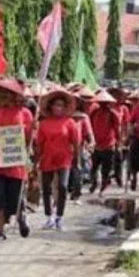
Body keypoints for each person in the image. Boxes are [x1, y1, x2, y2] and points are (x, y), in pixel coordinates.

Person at [0, 78, 34, 242]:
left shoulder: (25, 114)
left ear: (15, 96)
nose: (3, 97)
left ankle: (20, 216)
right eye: (2, 94)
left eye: (7, 94)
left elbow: (29, 138)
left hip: (16, 163)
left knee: (14, 198)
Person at [36, 89, 80, 231]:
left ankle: (59, 217)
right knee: (46, 189)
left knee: (62, 186)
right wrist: (35, 160)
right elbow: (39, 144)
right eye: (56, 105)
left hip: (64, 159)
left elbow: (76, 142)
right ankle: (49, 217)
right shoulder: (43, 124)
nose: (58, 108)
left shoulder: (70, 123)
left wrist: (77, 160)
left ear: (65, 107)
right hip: (47, 158)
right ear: (51, 107)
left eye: (61, 105)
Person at [88, 90, 122, 196]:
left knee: (105, 170)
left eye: (105, 103)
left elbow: (117, 130)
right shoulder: (94, 113)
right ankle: (94, 183)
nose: (103, 105)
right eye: (101, 103)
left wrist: (119, 145)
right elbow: (90, 127)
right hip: (96, 146)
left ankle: (102, 188)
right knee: (93, 168)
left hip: (108, 146)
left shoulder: (113, 114)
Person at [69, 89, 94, 204]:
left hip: (78, 148)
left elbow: (89, 134)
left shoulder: (83, 117)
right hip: (62, 147)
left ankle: (76, 194)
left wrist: (91, 143)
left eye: (75, 101)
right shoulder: (62, 116)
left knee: (77, 170)